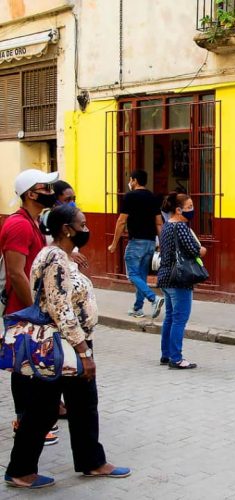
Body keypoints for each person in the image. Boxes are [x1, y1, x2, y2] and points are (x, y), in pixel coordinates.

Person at [5, 204, 130, 489]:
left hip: (70, 343)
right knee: (42, 409)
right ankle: (20, 471)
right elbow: (61, 309)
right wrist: (84, 351)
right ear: (66, 229)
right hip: (63, 345)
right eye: (82, 224)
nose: (86, 229)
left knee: (84, 404)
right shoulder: (55, 260)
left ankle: (92, 461)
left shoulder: (61, 256)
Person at [0, 169, 61, 448]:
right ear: (31, 193)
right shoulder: (19, 225)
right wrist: (32, 310)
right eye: (44, 186)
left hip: (29, 310)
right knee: (24, 371)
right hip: (21, 311)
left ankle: (31, 420)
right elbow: (16, 273)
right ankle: (24, 422)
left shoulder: (33, 222)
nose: (51, 190)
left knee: (33, 369)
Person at [157, 193, 206, 369]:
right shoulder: (181, 227)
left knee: (169, 318)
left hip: (165, 278)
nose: (192, 210)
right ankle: (176, 358)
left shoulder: (167, 227)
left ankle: (166, 354)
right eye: (189, 206)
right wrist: (202, 250)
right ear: (178, 210)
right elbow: (194, 250)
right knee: (179, 319)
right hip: (180, 280)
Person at [108, 170, 165, 319]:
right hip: (150, 242)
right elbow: (159, 223)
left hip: (136, 242)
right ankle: (137, 308)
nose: (130, 182)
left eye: (130, 180)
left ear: (134, 180)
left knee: (132, 274)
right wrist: (162, 243)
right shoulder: (152, 198)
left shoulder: (130, 197)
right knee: (141, 275)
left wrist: (114, 244)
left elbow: (121, 221)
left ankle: (153, 298)